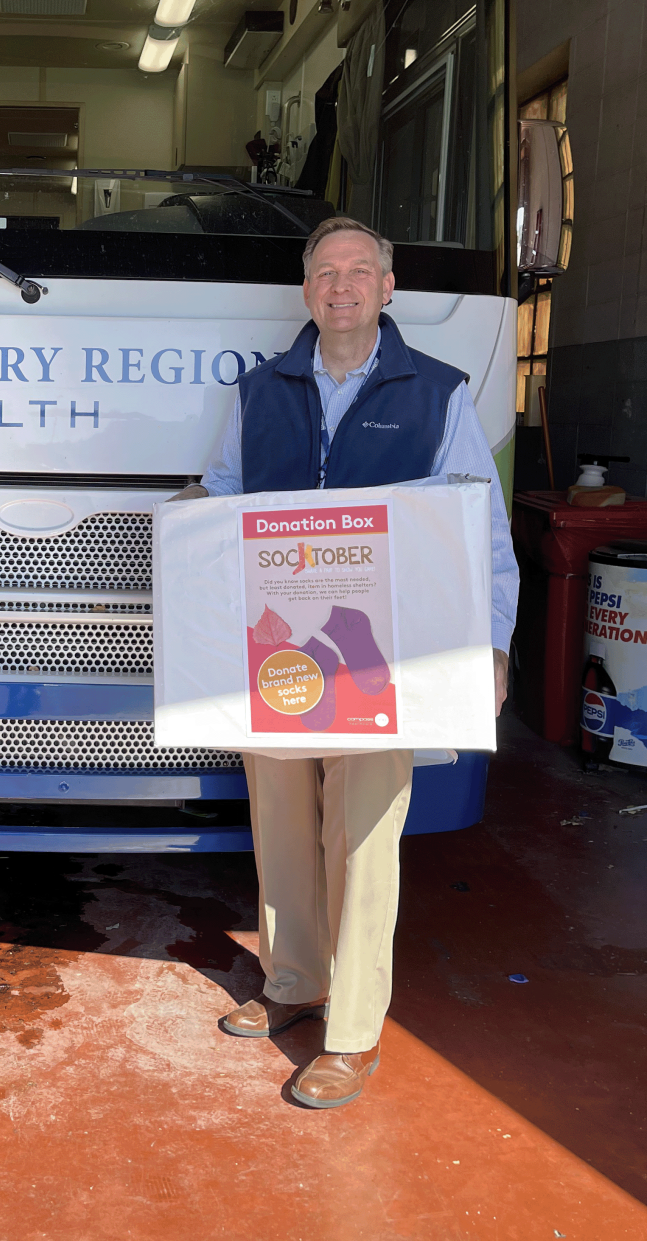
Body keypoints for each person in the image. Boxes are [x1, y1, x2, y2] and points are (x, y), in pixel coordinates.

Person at [181, 216, 517, 1109]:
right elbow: (218, 504)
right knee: (282, 821)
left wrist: (492, 642)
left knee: (365, 836)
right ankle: (294, 981)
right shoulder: (260, 394)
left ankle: (355, 1031)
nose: (341, 286)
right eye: (326, 272)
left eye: (358, 271)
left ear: (387, 287)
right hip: (275, 656)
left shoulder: (438, 393)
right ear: (305, 292)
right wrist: (185, 527)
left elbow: (480, 527)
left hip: (383, 661)